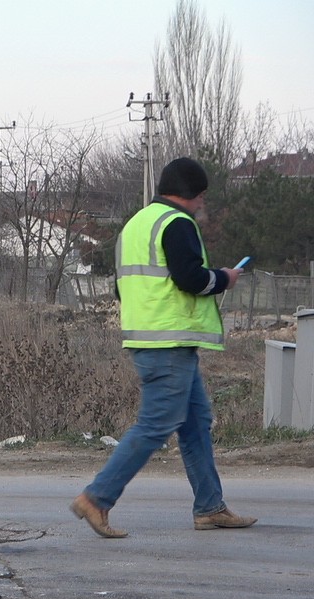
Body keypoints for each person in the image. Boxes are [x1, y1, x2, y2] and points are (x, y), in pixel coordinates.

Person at [70, 157, 256, 539]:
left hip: (150, 340)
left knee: (195, 424)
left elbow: (123, 287)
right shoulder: (177, 223)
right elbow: (190, 279)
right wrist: (225, 278)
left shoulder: (136, 225)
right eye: (202, 195)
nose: (203, 204)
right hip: (168, 343)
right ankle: (97, 498)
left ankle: (210, 507)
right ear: (190, 193)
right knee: (155, 426)